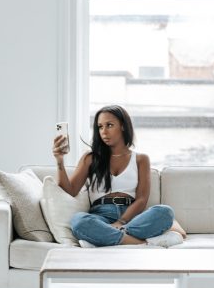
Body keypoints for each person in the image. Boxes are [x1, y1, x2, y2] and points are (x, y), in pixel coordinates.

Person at [52, 105, 186, 247]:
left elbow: (142, 199)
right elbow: (70, 190)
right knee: (79, 221)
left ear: (122, 126)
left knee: (165, 212)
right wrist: (59, 160)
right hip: (100, 216)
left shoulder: (141, 159)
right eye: (100, 127)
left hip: (132, 218)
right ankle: (141, 243)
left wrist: (121, 222)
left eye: (109, 125)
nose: (104, 131)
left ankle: (105, 239)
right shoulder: (90, 158)